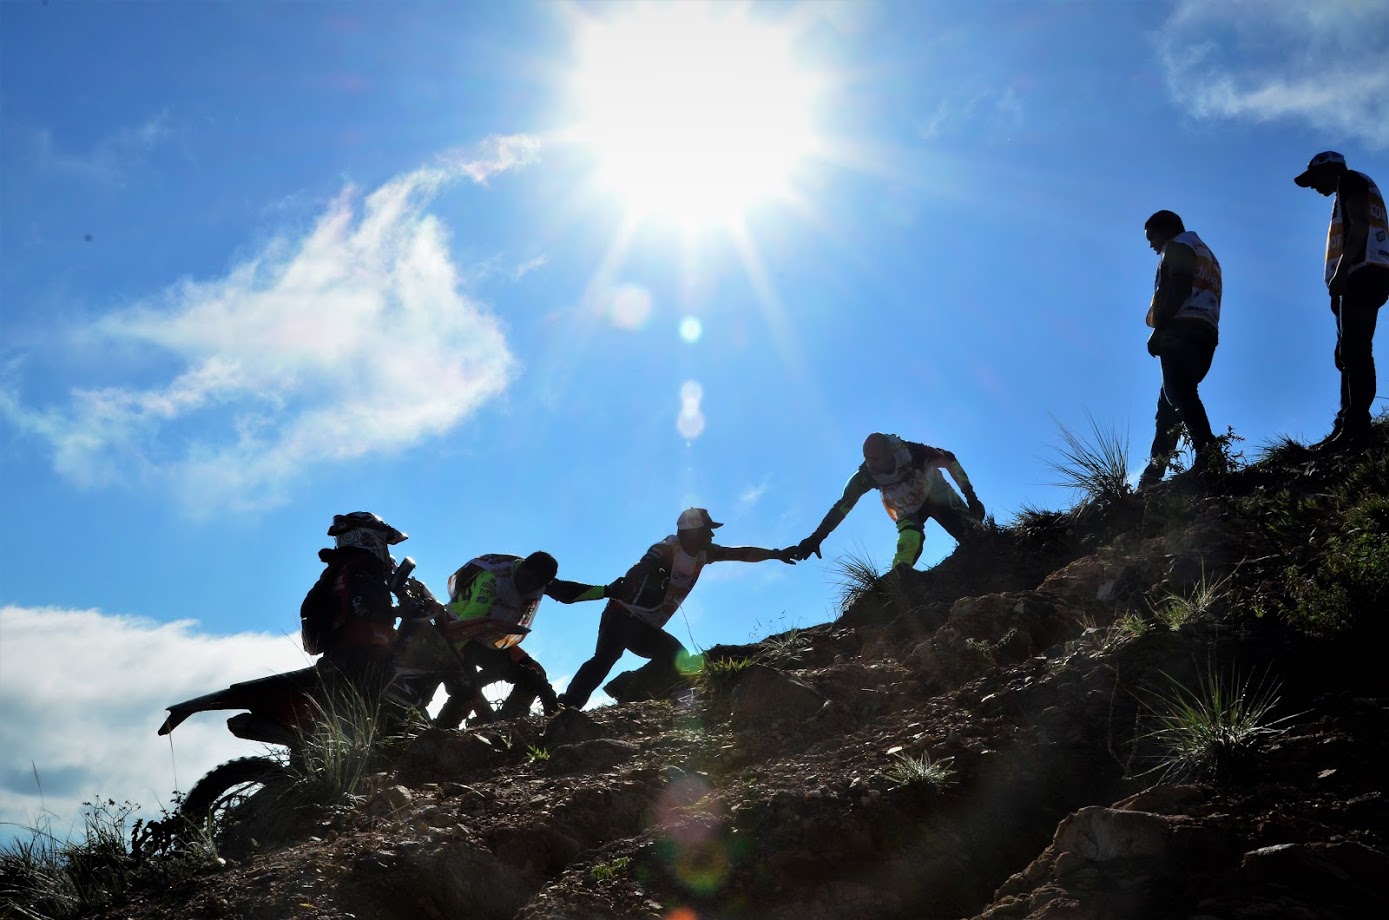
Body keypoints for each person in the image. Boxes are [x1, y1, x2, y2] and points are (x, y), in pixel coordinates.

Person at [556, 508, 795, 710]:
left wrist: (776, 554)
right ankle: (567, 706)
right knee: (604, 660)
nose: (711, 535)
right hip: (621, 615)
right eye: (707, 530)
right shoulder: (665, 550)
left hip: (647, 627)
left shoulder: (704, 553)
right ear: (692, 531)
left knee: (678, 657)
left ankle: (637, 691)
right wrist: (631, 581)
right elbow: (640, 568)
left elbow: (741, 554)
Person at [428, 552, 614, 725]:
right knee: (468, 689)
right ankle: (444, 730)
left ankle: (509, 721)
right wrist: (452, 655)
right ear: (522, 566)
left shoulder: (538, 580)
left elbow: (566, 592)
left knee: (535, 673)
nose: (528, 586)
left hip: (489, 638)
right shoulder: (493, 579)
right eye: (526, 579)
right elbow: (472, 618)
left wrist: (606, 591)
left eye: (535, 584)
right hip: (459, 631)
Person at [1294, 151, 1389, 450]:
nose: (1313, 186)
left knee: (1355, 351)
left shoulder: (1349, 181)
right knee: (1347, 352)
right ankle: (1347, 423)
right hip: (1368, 273)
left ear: (1330, 171)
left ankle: (1355, 426)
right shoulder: (1355, 184)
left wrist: (1343, 269)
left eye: (1314, 179)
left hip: (1361, 274)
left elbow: (1360, 224)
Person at [792, 433, 985, 570]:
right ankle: (896, 589)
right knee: (906, 553)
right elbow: (842, 507)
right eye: (868, 459)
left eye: (876, 459)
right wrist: (816, 538)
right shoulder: (865, 476)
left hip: (935, 493)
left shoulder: (913, 452)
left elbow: (948, 458)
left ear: (890, 453)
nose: (872, 464)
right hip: (906, 509)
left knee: (974, 534)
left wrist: (971, 498)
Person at [1138, 210, 1223, 488]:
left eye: (1152, 238)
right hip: (1206, 331)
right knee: (1169, 403)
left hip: (1181, 329)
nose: (1152, 245)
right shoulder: (1205, 252)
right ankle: (1154, 473)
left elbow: (1179, 285)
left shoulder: (1178, 247)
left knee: (1179, 393)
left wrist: (1160, 328)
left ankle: (1209, 455)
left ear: (1167, 230)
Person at [299, 511, 409, 704]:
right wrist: (400, 611)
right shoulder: (366, 564)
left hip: (337, 654)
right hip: (365, 655)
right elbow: (367, 606)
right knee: (392, 706)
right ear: (370, 537)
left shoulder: (336, 567)